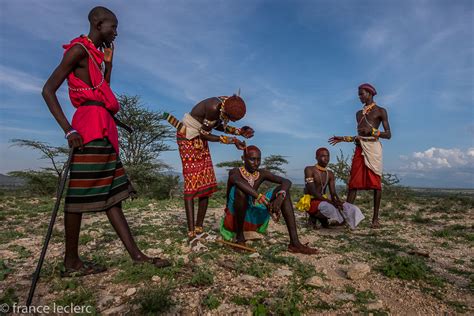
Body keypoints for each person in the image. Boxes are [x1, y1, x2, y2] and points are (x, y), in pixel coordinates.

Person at [42, 6, 170, 276]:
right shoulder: (77, 50)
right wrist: (68, 130)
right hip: (87, 130)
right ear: (98, 24)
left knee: (113, 197)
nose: (116, 32)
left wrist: (109, 64)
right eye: (112, 27)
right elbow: (48, 90)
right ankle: (71, 262)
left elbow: (103, 93)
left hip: (103, 128)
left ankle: (136, 255)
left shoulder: (96, 57)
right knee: (77, 197)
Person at [164, 95, 254, 244]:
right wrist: (231, 140)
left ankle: (199, 229)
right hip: (188, 138)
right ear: (226, 109)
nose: (230, 121)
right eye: (231, 119)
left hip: (199, 138)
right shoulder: (214, 107)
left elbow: (217, 125)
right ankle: (191, 234)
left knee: (205, 182)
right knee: (192, 183)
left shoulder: (227, 103)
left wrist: (238, 132)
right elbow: (204, 134)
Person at [220, 145, 318, 254]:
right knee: (240, 191)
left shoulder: (261, 173)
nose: (256, 163)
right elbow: (238, 182)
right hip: (234, 216)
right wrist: (259, 196)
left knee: (283, 190)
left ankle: (294, 243)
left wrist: (280, 196)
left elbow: (287, 182)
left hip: (252, 215)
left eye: (258, 160)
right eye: (252, 159)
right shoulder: (235, 172)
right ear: (243, 159)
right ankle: (240, 238)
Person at [328, 83, 391, 228]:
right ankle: (346, 218)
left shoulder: (381, 111)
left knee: (376, 185)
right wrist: (343, 138)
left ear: (370, 93)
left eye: (362, 94)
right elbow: (359, 135)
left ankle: (375, 219)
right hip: (359, 148)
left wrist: (374, 132)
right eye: (359, 94)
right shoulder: (358, 114)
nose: (359, 97)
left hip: (373, 149)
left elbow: (388, 135)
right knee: (353, 184)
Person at [296, 148, 364, 229]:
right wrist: (331, 202)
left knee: (351, 208)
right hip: (312, 201)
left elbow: (333, 193)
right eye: (323, 156)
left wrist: (338, 202)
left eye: (328, 156)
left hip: (324, 201)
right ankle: (314, 217)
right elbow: (313, 192)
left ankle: (341, 222)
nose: (326, 158)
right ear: (316, 157)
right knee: (328, 207)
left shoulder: (330, 174)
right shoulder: (309, 170)